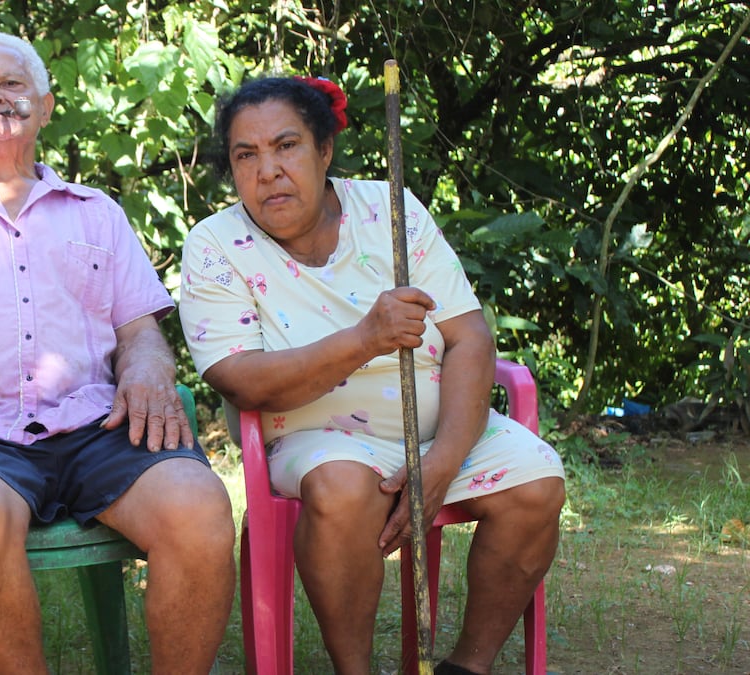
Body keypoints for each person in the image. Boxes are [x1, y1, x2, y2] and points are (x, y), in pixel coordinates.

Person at [0, 31, 235, 674]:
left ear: (46, 106)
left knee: (198, 508)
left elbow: (141, 333)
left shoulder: (97, 213)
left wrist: (144, 370)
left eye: (11, 84)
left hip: (98, 428)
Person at [178, 76, 566, 675]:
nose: (268, 171)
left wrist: (441, 463)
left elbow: (468, 337)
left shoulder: (391, 211)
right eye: (245, 155)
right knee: (341, 487)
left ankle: (469, 665)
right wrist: (364, 339)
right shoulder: (215, 245)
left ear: (324, 150)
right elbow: (241, 380)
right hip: (315, 435)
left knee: (537, 481)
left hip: (439, 432)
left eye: (286, 146)